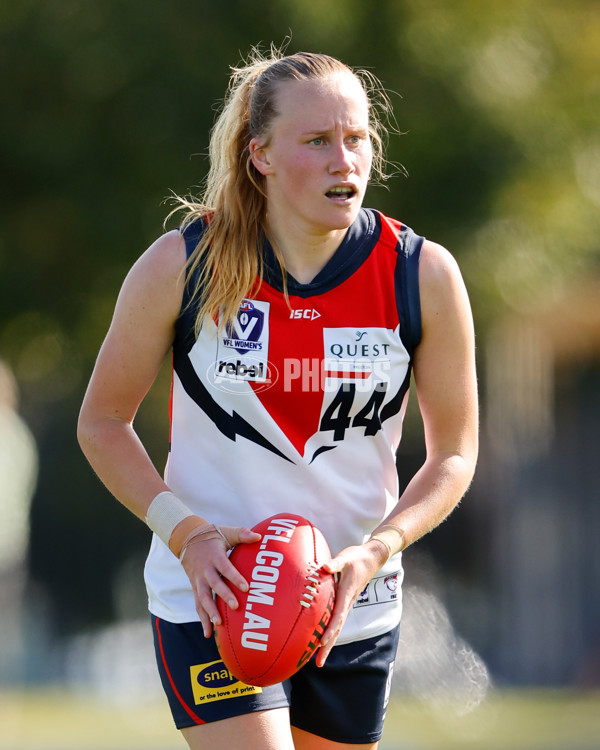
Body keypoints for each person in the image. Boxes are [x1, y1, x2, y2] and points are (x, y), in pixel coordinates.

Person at [78, 48, 478, 750]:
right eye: (318, 141)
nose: (343, 159)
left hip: (355, 606)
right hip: (217, 599)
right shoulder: (183, 265)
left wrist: (376, 552)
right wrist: (188, 535)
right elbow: (102, 423)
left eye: (356, 139)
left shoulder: (422, 274)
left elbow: (454, 454)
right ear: (260, 154)